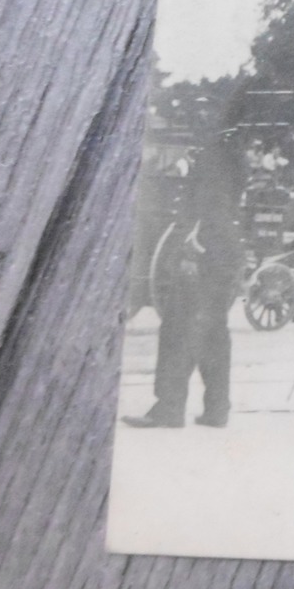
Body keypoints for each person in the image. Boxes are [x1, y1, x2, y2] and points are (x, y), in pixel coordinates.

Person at [123, 100, 246, 429]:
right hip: (224, 253)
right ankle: (217, 409)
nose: (198, 120)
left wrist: (194, 249)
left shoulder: (214, 154)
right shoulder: (232, 149)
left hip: (205, 252)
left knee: (179, 327)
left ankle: (168, 409)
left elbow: (213, 206)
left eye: (204, 115)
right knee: (214, 332)